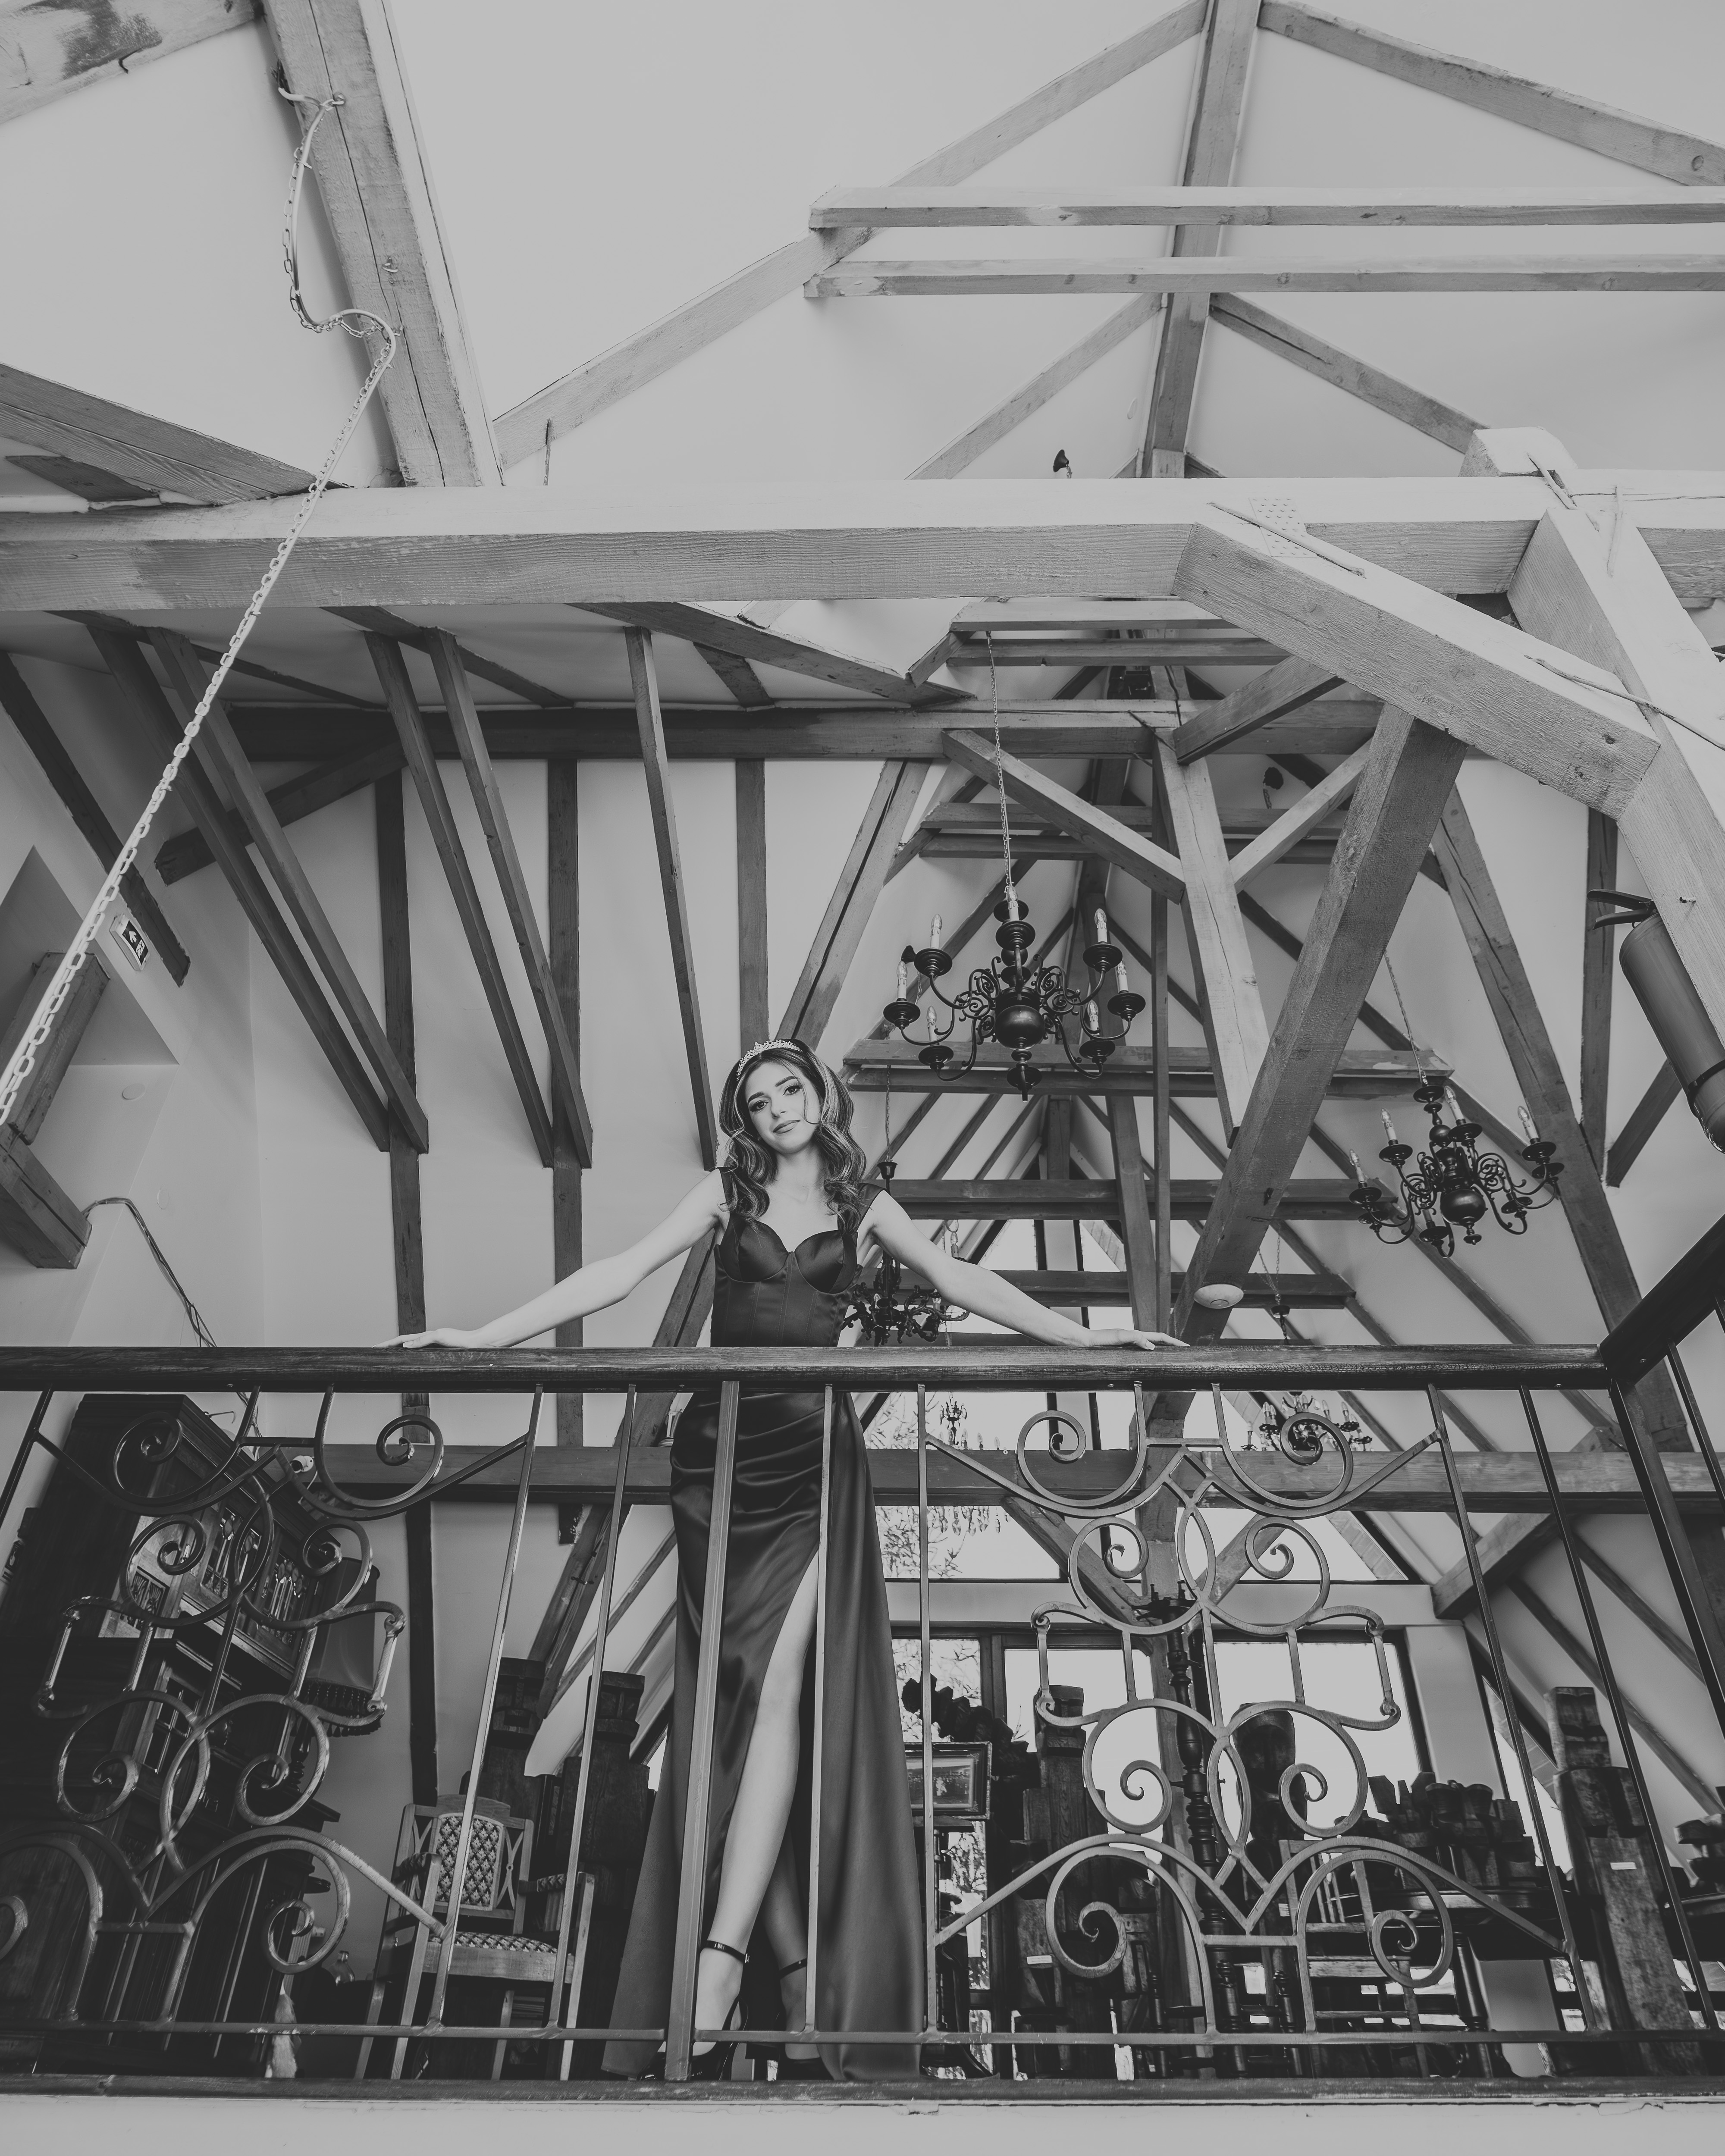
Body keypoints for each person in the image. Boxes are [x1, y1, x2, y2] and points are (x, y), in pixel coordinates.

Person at [395, 1039, 1173, 2079]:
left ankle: (720, 1963)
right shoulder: (727, 1193)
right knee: (740, 1704)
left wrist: (1080, 1342)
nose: (776, 1110)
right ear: (745, 1121)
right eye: (757, 1102)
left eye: (789, 1090)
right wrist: (484, 1339)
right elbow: (619, 1270)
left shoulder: (863, 1204)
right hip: (723, 1456)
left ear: (819, 1093)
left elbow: (957, 1275)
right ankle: (788, 1972)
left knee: (774, 1697)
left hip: (812, 1457)